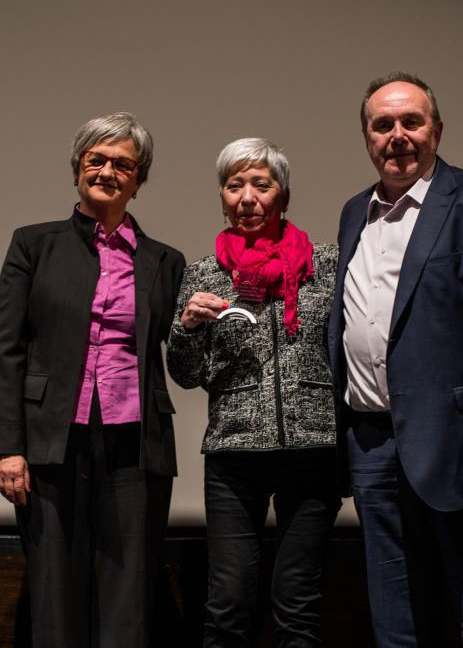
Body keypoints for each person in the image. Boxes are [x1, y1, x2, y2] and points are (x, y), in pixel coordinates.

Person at [327, 72, 463, 647]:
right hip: (374, 446)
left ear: (437, 129)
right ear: (366, 137)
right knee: (397, 626)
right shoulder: (355, 212)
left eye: (411, 121)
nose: (397, 135)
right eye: (383, 125)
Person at [0, 112, 185, 648]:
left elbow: (178, 352)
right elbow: (4, 348)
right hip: (52, 442)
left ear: (138, 181)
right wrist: (6, 446)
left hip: (136, 444)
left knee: (129, 592)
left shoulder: (165, 261)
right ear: (77, 168)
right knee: (54, 589)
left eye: (123, 164)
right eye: (96, 159)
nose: (107, 171)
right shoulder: (34, 245)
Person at [167, 138, 342, 647]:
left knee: (297, 604)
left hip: (313, 450)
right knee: (229, 603)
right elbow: (185, 374)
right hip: (233, 454)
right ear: (222, 197)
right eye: (234, 184)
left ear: (283, 197)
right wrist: (186, 328)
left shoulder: (324, 264)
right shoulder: (202, 273)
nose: (247, 197)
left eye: (261, 185)